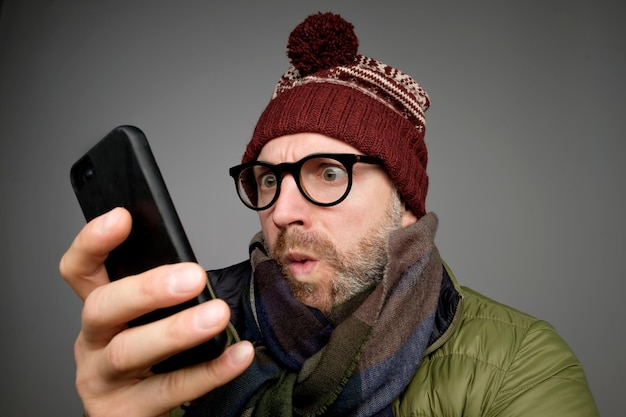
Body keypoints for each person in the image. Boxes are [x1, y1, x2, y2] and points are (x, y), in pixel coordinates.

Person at [60, 12, 600, 417]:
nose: (283, 210)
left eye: (328, 173)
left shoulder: (519, 365)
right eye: (269, 179)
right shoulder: (183, 343)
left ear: (407, 206)